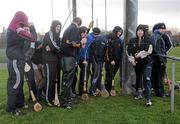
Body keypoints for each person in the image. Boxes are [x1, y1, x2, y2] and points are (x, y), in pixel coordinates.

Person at [6, 11, 36, 115]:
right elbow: (33, 38)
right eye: (23, 23)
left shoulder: (14, 28)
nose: (24, 25)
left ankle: (20, 103)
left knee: (20, 82)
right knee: (15, 83)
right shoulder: (16, 29)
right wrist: (32, 27)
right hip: (15, 60)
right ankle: (11, 108)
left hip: (18, 59)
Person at [127, 24, 153, 106]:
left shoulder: (148, 40)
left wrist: (139, 55)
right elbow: (128, 51)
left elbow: (149, 51)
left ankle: (148, 99)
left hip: (147, 62)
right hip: (137, 63)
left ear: (144, 32)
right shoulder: (132, 40)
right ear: (136, 31)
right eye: (138, 30)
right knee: (138, 78)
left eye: (141, 31)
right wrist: (132, 60)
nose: (140, 32)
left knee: (146, 78)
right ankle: (139, 93)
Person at [60, 17, 84, 108]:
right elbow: (73, 43)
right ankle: (65, 102)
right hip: (69, 57)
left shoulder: (68, 28)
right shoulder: (74, 29)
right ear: (78, 23)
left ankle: (68, 99)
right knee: (67, 80)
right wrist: (81, 44)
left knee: (67, 79)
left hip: (65, 57)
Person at [42, 20, 62, 106]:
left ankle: (53, 97)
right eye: (57, 27)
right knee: (49, 80)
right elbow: (53, 45)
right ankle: (47, 99)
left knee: (54, 80)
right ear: (53, 26)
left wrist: (54, 49)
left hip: (55, 60)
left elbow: (56, 48)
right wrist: (56, 49)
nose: (58, 28)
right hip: (48, 60)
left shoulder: (58, 36)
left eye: (60, 27)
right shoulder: (48, 34)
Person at [89, 28, 107, 96]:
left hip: (96, 60)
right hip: (99, 60)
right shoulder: (104, 39)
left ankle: (94, 90)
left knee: (95, 75)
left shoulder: (94, 39)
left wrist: (95, 59)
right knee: (97, 75)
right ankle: (95, 89)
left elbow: (93, 51)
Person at [105, 26, 123, 93]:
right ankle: (107, 89)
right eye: (118, 31)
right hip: (111, 61)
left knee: (112, 75)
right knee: (109, 75)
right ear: (115, 31)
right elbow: (109, 50)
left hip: (117, 61)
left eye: (121, 31)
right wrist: (111, 60)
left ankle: (110, 89)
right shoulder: (111, 38)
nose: (120, 33)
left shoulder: (119, 40)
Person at [151, 23, 167, 97]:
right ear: (157, 29)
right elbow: (158, 51)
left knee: (155, 76)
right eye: (162, 29)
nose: (163, 30)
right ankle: (160, 93)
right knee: (159, 77)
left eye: (164, 29)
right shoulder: (157, 37)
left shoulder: (154, 36)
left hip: (154, 60)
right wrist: (162, 61)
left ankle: (157, 91)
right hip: (158, 60)